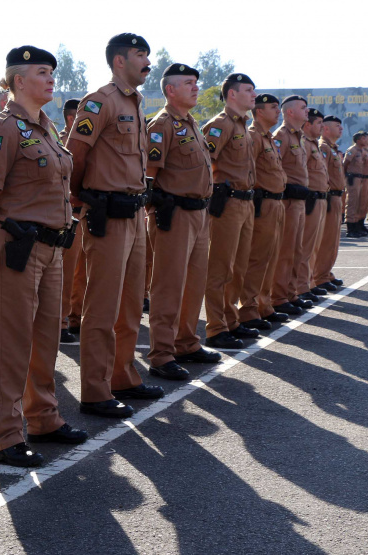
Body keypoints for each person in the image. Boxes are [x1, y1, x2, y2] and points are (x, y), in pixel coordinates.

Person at [0, 45, 88, 467]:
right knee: (10, 343)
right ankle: (4, 437)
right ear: (19, 81)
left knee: (45, 339)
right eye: (42, 72)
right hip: (18, 247)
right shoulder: (4, 128)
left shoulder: (47, 129)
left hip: (53, 248)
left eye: (52, 72)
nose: (51, 79)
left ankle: (43, 418)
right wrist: (13, 224)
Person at [67, 33, 164, 419]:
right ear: (119, 61)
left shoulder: (137, 103)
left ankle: (122, 376)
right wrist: (80, 198)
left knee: (129, 305)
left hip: (135, 213)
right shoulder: (100, 101)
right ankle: (94, 389)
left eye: (148, 55)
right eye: (141, 55)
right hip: (107, 213)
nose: (148, 61)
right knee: (102, 306)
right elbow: (75, 154)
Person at [144, 63, 220, 380]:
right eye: (188, 83)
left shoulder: (191, 124)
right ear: (170, 90)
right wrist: (155, 208)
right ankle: (161, 353)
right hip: (173, 215)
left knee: (193, 283)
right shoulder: (161, 125)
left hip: (199, 213)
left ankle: (186, 342)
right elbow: (148, 176)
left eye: (195, 83)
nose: (195, 87)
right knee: (168, 285)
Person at [201, 72, 259, 350]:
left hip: (246, 203)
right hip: (228, 203)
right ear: (232, 94)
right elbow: (204, 162)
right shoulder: (219, 125)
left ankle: (231, 319)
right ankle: (215, 326)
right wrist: (215, 193)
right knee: (220, 266)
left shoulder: (244, 128)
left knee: (239, 266)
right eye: (248, 90)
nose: (254, 95)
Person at [238, 94, 289, 330]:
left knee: (270, 257)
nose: (278, 112)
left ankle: (264, 305)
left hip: (276, 202)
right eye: (273, 108)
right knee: (257, 258)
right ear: (259, 112)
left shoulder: (268, 138)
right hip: (262, 203)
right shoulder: (253, 136)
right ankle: (248, 309)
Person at [270, 95, 313, 316]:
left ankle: (290, 292)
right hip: (287, 200)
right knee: (285, 250)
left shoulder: (300, 137)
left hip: (299, 200)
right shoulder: (281, 136)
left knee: (296, 248)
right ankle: (277, 297)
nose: (307, 111)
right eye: (303, 108)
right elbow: (275, 168)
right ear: (290, 112)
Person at [295, 108, 329, 304]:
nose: (322, 128)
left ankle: (307, 283)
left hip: (319, 199)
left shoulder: (313, 144)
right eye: (319, 124)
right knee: (305, 246)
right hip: (309, 200)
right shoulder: (303, 143)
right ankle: (301, 286)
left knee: (313, 246)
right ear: (308, 124)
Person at [57, 96, 83, 344]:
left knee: (84, 272)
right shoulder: (59, 142)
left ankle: (76, 317)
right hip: (70, 216)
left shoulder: (91, 142)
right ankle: (62, 320)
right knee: (67, 272)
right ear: (70, 118)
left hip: (90, 214)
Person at [311, 115, 346, 292]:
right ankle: (319, 276)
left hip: (337, 196)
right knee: (325, 240)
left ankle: (325, 273)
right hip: (329, 196)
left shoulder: (332, 148)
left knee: (332, 240)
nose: (341, 128)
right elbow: (321, 174)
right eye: (337, 126)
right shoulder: (322, 147)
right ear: (325, 129)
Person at [343, 131, 368, 238]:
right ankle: (351, 228)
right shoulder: (352, 150)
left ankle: (358, 225)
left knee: (361, 203)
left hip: (361, 178)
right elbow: (345, 164)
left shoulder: (364, 151)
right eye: (364, 138)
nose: (366, 140)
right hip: (353, 178)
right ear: (358, 140)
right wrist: (347, 176)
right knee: (352, 202)